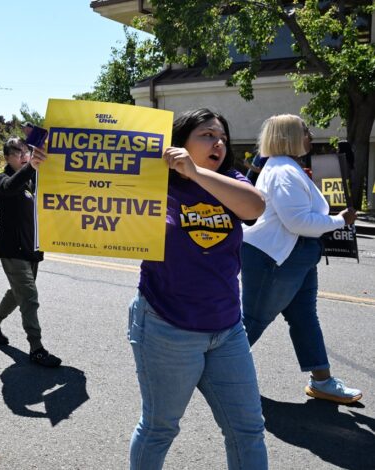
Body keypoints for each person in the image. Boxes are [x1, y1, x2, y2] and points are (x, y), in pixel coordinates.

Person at [127, 109, 267, 469]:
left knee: (248, 429)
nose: (217, 143)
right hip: (165, 325)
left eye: (222, 137)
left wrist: (196, 171)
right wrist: (46, 167)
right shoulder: (154, 181)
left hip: (226, 329)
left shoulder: (230, 180)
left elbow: (254, 207)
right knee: (160, 428)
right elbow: (89, 187)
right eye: (206, 135)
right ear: (181, 142)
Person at [241, 114, 361, 404]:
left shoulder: (287, 167)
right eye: (305, 130)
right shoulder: (283, 170)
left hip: (295, 256)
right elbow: (297, 221)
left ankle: (322, 381)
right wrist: (338, 220)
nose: (310, 135)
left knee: (304, 318)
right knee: (253, 321)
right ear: (288, 136)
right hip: (276, 258)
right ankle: (213, 371)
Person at [0, 137, 61, 367]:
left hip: (31, 247)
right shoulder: (3, 178)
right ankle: (36, 348)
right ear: (6, 158)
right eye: (17, 153)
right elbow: (10, 186)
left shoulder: (34, 178)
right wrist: (31, 167)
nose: (23, 156)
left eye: (25, 152)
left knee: (18, 292)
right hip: (11, 248)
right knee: (29, 297)